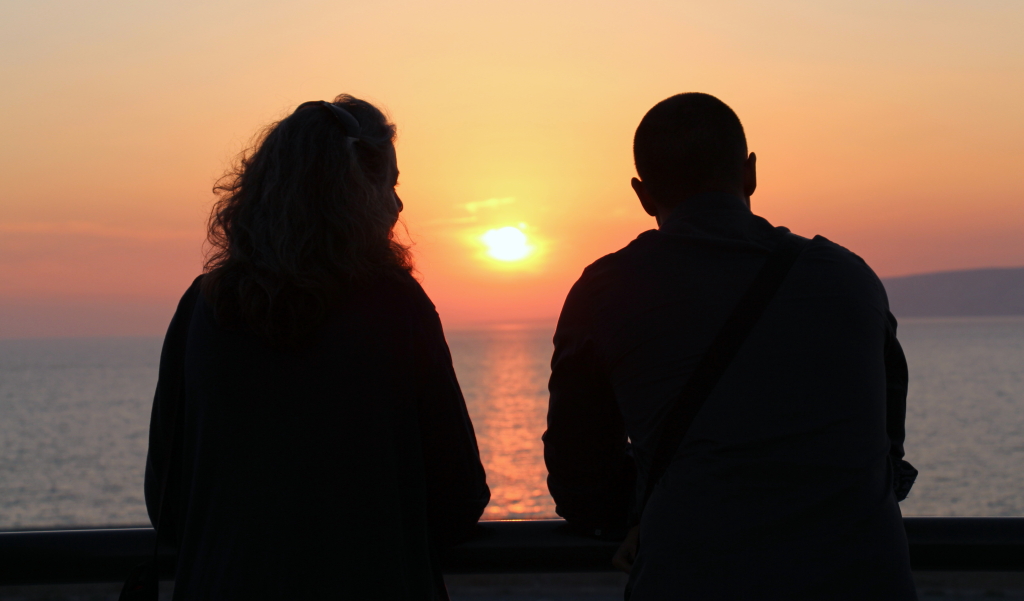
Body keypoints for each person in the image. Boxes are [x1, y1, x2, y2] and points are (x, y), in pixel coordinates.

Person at [543, 93, 918, 600]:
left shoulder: (604, 293)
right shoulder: (850, 279)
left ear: (643, 194)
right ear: (750, 173)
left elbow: (581, 484)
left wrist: (648, 514)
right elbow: (886, 450)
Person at [145, 95, 489, 600]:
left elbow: (167, 502)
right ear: (355, 192)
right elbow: (458, 495)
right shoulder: (397, 308)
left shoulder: (202, 310)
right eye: (388, 185)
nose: (398, 206)